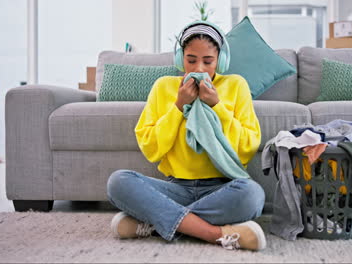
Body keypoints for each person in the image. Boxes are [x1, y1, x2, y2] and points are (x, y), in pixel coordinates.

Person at [106, 21, 266, 251]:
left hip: (221, 188)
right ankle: (213, 233)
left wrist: (218, 107)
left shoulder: (236, 85)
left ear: (220, 59)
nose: (199, 68)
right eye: (191, 60)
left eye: (208, 61)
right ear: (180, 58)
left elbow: (246, 149)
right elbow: (151, 148)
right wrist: (179, 106)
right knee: (118, 182)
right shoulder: (163, 87)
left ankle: (154, 221)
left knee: (252, 195)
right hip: (175, 189)